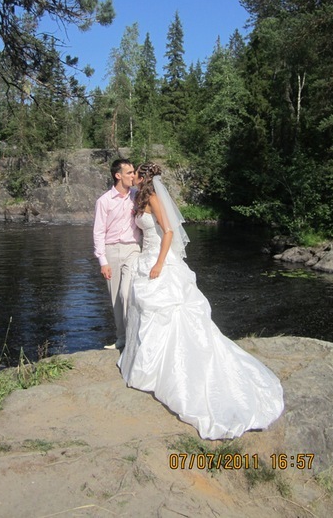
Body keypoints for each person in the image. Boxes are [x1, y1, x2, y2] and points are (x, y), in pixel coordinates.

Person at [118, 163, 284, 439]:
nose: (132, 176)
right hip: (145, 257)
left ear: (144, 178)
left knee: (170, 310)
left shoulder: (154, 198)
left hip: (159, 260)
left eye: (136, 173)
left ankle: (168, 369)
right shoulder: (140, 198)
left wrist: (159, 264)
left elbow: (168, 232)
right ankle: (145, 362)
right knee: (146, 309)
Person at [93, 158, 141, 350]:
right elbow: (98, 232)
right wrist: (102, 261)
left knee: (127, 293)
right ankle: (122, 338)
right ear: (118, 175)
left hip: (132, 249)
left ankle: (134, 336)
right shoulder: (104, 201)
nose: (133, 176)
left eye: (133, 172)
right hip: (111, 250)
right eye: (129, 173)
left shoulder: (137, 196)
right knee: (115, 298)